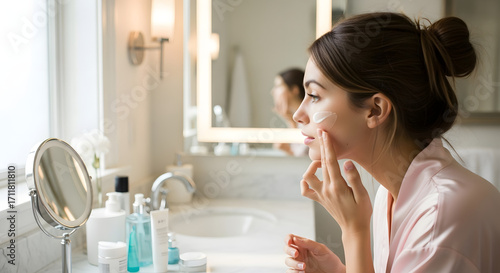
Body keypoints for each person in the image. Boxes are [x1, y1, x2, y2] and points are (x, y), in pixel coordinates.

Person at [284, 12, 500, 273]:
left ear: (375, 110)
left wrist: (354, 232)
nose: (298, 114)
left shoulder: (440, 218)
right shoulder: (389, 193)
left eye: (314, 95)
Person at [271, 68, 308, 156]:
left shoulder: (308, 119)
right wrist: (290, 120)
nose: (272, 91)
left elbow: (303, 157)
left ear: (295, 89)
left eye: (278, 86)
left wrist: (287, 150)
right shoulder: (297, 119)